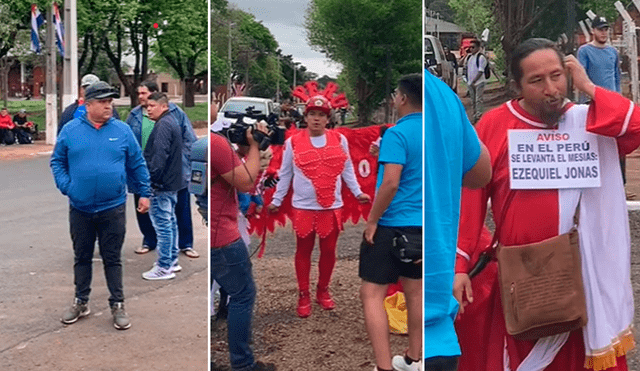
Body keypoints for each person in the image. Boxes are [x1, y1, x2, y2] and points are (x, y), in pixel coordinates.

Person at [454, 38, 640, 371]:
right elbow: (471, 199)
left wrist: (589, 86)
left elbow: (635, 125)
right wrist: (459, 265)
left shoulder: (589, 121)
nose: (551, 88)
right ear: (518, 86)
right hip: (525, 277)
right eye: (537, 81)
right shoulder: (495, 125)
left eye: (557, 76)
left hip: (585, 275)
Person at [50, 81, 151, 330]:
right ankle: (81, 300)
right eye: (103, 102)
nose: (109, 106)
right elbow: (57, 162)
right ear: (88, 104)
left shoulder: (122, 130)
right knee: (82, 256)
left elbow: (137, 164)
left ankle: (117, 303)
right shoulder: (71, 130)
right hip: (81, 208)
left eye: (110, 102)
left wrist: (144, 193)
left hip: (112, 207)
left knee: (112, 258)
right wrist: (68, 186)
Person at [268, 95, 371, 318]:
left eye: (321, 115)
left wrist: (357, 192)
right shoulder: (292, 142)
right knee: (303, 250)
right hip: (303, 207)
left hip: (331, 207)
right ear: (305, 117)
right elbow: (285, 174)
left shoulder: (339, 140)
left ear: (328, 119)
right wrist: (276, 200)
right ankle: (303, 293)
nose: (316, 119)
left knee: (329, 250)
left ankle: (323, 289)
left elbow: (347, 170)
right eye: (312, 114)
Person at [210, 122, 276, 371]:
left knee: (211, 295)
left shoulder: (206, 141)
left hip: (211, 229)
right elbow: (247, 181)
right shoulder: (216, 143)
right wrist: (256, 146)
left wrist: (241, 150)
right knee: (242, 295)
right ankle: (243, 365)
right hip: (223, 236)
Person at [126, 81, 199, 258]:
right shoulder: (134, 115)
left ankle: (185, 244)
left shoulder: (174, 113)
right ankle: (149, 240)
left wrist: (183, 161)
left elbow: (189, 139)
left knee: (180, 208)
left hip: (173, 169)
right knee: (143, 206)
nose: (141, 97)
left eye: (144, 93)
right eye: (139, 94)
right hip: (143, 169)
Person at [577, 16, 630, 199]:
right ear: (593, 31)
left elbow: (616, 76)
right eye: (600, 29)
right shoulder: (584, 51)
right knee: (594, 142)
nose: (604, 32)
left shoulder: (613, 52)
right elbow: (582, 77)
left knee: (617, 142)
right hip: (594, 102)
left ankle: (620, 185)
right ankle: (592, 185)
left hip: (613, 103)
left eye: (606, 29)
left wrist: (618, 98)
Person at [140, 92, 186, 280]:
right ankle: (171, 260)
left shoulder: (163, 126)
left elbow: (159, 156)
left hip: (162, 183)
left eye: (152, 105)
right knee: (170, 222)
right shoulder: (170, 122)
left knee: (163, 224)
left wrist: (150, 181)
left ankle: (164, 265)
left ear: (164, 106)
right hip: (172, 181)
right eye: (147, 106)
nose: (148, 109)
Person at [466, 39, 488, 123]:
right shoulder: (469, 57)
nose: (471, 49)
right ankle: (474, 115)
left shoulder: (481, 57)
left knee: (478, 100)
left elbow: (480, 71)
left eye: (473, 47)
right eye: (470, 47)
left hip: (479, 82)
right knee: (472, 100)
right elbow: (461, 64)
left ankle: (478, 116)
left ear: (478, 48)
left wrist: (474, 81)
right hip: (470, 82)